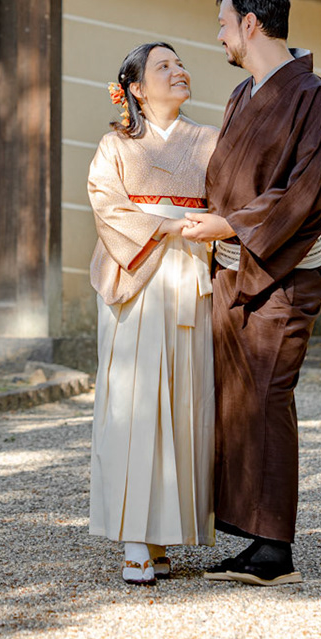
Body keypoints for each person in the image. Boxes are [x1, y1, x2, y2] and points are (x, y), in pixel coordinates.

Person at [182, 0, 321, 588]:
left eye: (223, 24)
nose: (219, 36)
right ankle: (255, 539)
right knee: (240, 400)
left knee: (269, 396)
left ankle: (276, 550)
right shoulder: (241, 95)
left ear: (250, 24)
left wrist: (228, 224)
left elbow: (305, 192)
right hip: (233, 270)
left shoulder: (313, 96)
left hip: (282, 273)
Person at [86, 41, 219, 586]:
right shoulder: (115, 145)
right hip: (136, 274)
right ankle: (134, 536)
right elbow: (106, 205)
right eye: (164, 66)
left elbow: (230, 200)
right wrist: (165, 225)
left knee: (186, 400)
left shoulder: (210, 140)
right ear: (136, 89)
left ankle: (164, 532)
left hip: (190, 271)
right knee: (135, 402)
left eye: (179, 63)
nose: (178, 71)